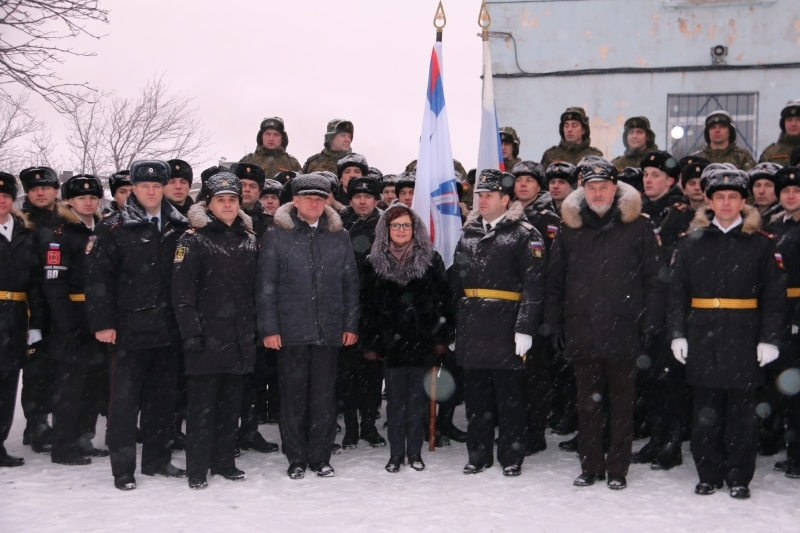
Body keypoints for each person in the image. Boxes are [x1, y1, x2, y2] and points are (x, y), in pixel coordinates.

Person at [545, 158, 666, 490]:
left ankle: (617, 469)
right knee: (587, 404)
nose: (597, 193)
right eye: (591, 188)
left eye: (604, 187)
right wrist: (554, 325)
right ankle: (590, 466)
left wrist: (650, 325)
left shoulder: (639, 227)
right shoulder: (569, 229)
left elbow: (655, 281)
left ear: (616, 189)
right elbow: (555, 282)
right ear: (583, 191)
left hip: (624, 329)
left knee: (622, 405)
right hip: (581, 329)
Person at [668, 166, 785, 499]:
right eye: (720, 197)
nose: (726, 202)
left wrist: (770, 339)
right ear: (709, 200)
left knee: (741, 415)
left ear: (743, 201)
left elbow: (774, 297)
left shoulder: (761, 244)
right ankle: (708, 473)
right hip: (702, 333)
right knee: (705, 411)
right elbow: (677, 292)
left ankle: (739, 476)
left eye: (733, 197)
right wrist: (677, 333)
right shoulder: (691, 242)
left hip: (744, 336)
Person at [86, 159, 189, 491]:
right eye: (143, 186)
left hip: (168, 328)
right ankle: (123, 468)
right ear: (133, 188)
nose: (151, 191)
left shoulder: (180, 225)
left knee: (162, 400)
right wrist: (103, 323)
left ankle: (157, 460)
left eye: (156, 186)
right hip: (129, 329)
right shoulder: (113, 226)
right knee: (125, 402)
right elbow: (97, 278)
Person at [256, 174, 360, 479]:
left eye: (319, 198)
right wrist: (269, 329)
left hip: (328, 328)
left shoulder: (340, 236)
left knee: (324, 396)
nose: (314, 203)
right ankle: (296, 457)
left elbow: (350, 286)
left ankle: (320, 456)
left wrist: (350, 324)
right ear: (296, 202)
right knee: (293, 397)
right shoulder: (276, 235)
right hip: (290, 331)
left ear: (327, 201)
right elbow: (266, 286)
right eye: (307, 198)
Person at [450, 169, 545, 477]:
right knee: (477, 399)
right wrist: (454, 327)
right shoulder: (469, 233)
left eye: (489, 195)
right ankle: (478, 455)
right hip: (474, 326)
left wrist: (525, 328)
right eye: (480, 195)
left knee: (510, 399)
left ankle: (511, 455)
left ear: (506, 199)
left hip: (506, 326)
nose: (482, 200)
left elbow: (534, 285)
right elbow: (456, 283)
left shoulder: (524, 233)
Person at [173, 172, 258, 490]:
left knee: (230, 407)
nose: (227, 204)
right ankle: (197, 467)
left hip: (238, 338)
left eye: (232, 199)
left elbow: (253, 291)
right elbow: (181, 293)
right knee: (201, 409)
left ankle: (224, 461)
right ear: (208, 203)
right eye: (220, 199)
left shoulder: (249, 239)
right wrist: (190, 331)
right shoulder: (191, 239)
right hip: (205, 338)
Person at [360, 203, 454, 472]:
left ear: (415, 229)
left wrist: (440, 339)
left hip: (423, 343)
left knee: (417, 401)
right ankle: (395, 454)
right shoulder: (373, 262)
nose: (401, 230)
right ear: (385, 229)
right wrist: (371, 342)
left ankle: (414, 452)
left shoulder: (430, 260)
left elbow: (444, 303)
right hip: (390, 346)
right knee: (395, 403)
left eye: (406, 225)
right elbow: (365, 306)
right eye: (395, 225)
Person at [631, 151, 694, 470]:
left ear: (671, 180)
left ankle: (672, 442)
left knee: (671, 380)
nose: (648, 180)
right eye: (646, 175)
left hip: (671, 307)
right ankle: (656, 438)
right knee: (650, 379)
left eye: (656, 175)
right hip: (644, 306)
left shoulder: (680, 212)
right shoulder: (640, 212)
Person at [45, 175, 110, 466]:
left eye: (93, 197)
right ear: (69, 201)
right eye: (82, 197)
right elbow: (53, 283)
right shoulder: (60, 234)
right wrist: (66, 324)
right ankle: (63, 445)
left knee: (94, 385)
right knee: (69, 388)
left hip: (100, 318)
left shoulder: (103, 231)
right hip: (72, 317)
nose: (88, 202)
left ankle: (84, 438)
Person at [225, 161, 278, 455]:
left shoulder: (269, 226)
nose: (246, 190)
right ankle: (228, 433)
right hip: (226, 314)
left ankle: (249, 429)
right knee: (230, 379)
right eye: (241, 185)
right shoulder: (219, 222)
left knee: (255, 378)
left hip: (259, 315)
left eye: (252, 187)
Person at [508, 161, 561, 453]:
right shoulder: (510, 214)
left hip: (537, 305)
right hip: (512, 304)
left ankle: (534, 431)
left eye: (530, 180)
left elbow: (549, 267)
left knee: (536, 373)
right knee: (515, 371)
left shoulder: (546, 217)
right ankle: (517, 427)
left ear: (539, 186)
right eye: (519, 180)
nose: (523, 185)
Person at [337, 176, 385, 449]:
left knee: (372, 370)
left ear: (377, 200)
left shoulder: (386, 226)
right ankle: (351, 427)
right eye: (357, 197)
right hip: (345, 305)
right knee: (346, 371)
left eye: (368, 197)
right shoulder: (338, 224)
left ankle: (369, 423)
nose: (362, 201)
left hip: (374, 306)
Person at [0, 172, 45, 467]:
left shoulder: (24, 233)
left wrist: (36, 324)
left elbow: (36, 282)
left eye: (5, 196)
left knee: (7, 382)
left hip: (16, 315)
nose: (1, 201)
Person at [19, 166, 60, 454]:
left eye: (46, 187)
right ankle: (35, 422)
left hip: (59, 302)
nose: (41, 192)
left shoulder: (64, 222)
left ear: (56, 190)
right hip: (29, 304)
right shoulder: (19, 223)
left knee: (59, 368)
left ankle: (56, 418)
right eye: (34, 189)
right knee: (35, 369)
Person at [763, 166, 800, 476]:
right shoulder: (780, 225)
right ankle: (793, 449)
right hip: (783, 313)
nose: (790, 195)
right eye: (785, 190)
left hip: (797, 312)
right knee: (789, 386)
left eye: (797, 191)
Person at [690, 111, 756, 171]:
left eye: (722, 127)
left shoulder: (742, 156)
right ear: (707, 132)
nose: (717, 130)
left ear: (730, 131)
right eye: (712, 127)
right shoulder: (697, 158)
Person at [760, 100, 800, 167]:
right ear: (783, 124)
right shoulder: (771, 153)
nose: (793, 124)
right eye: (789, 120)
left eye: (798, 119)